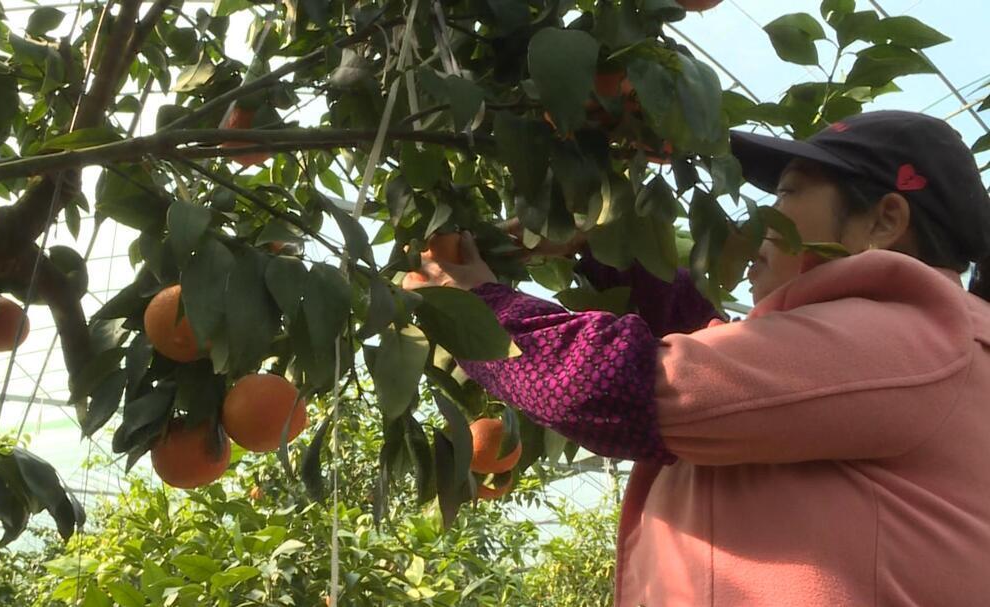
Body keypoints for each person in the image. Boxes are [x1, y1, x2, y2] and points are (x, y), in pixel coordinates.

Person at [403, 110, 990, 606]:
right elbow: (708, 347)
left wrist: (474, 307)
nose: (754, 223)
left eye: (787, 192)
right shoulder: (880, 353)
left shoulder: (917, 329)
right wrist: (602, 249)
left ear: (884, 221)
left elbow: (621, 385)